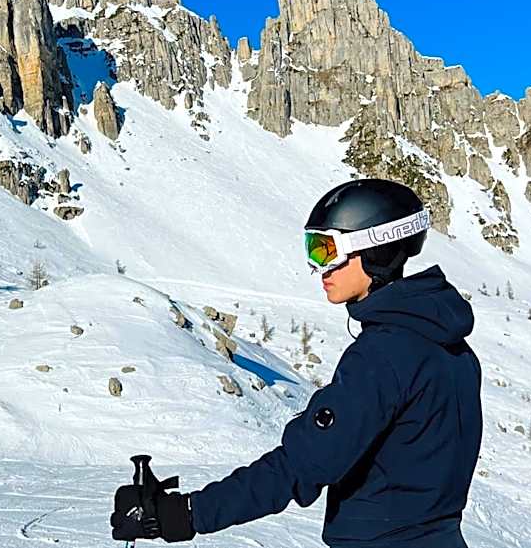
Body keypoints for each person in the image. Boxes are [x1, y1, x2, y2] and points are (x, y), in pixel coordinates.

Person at [111, 178, 483, 547]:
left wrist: (181, 514)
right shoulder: (452, 348)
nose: (320, 268)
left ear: (377, 252)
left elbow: (302, 466)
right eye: (313, 250)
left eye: (327, 250)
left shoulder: (383, 355)